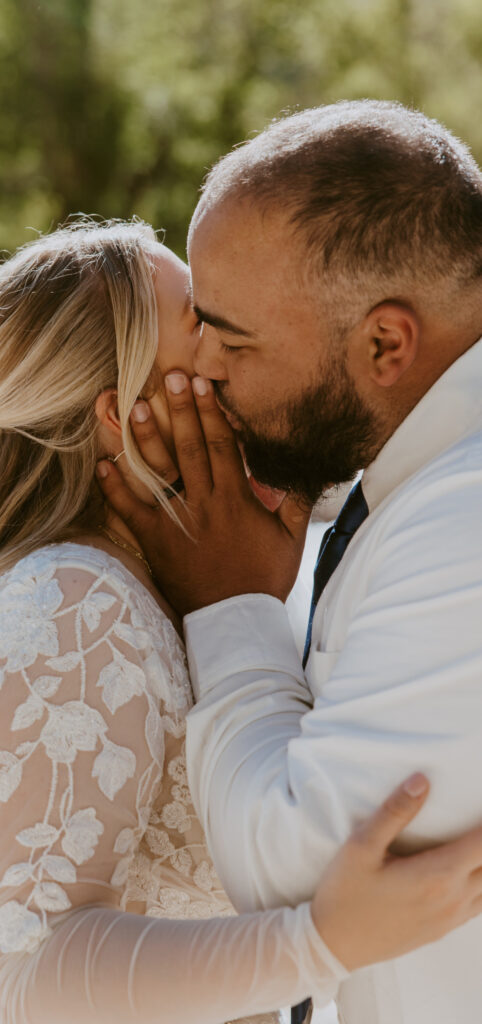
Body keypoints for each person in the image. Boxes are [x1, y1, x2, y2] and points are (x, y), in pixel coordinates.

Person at [0, 220, 482, 1024]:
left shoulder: (142, 591)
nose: (231, 355)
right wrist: (323, 943)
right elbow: (32, 968)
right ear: (123, 416)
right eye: (200, 324)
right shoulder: (71, 602)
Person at [96, 101, 482, 1024]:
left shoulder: (465, 516)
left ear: (385, 344)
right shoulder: (421, 483)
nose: (205, 374)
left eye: (232, 339)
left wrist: (230, 603)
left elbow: (296, 870)